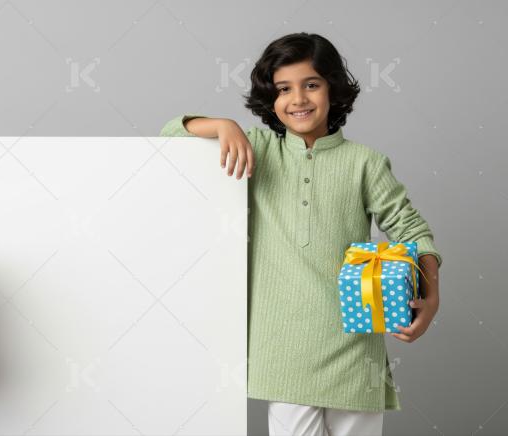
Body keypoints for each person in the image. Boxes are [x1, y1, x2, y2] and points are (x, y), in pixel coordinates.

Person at [160, 33, 441, 436]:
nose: (299, 99)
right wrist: (224, 125)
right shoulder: (257, 150)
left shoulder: (365, 163)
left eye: (311, 84)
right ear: (270, 99)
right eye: (283, 89)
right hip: (283, 347)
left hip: (355, 343)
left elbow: (412, 229)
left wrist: (432, 295)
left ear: (332, 89)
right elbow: (171, 133)